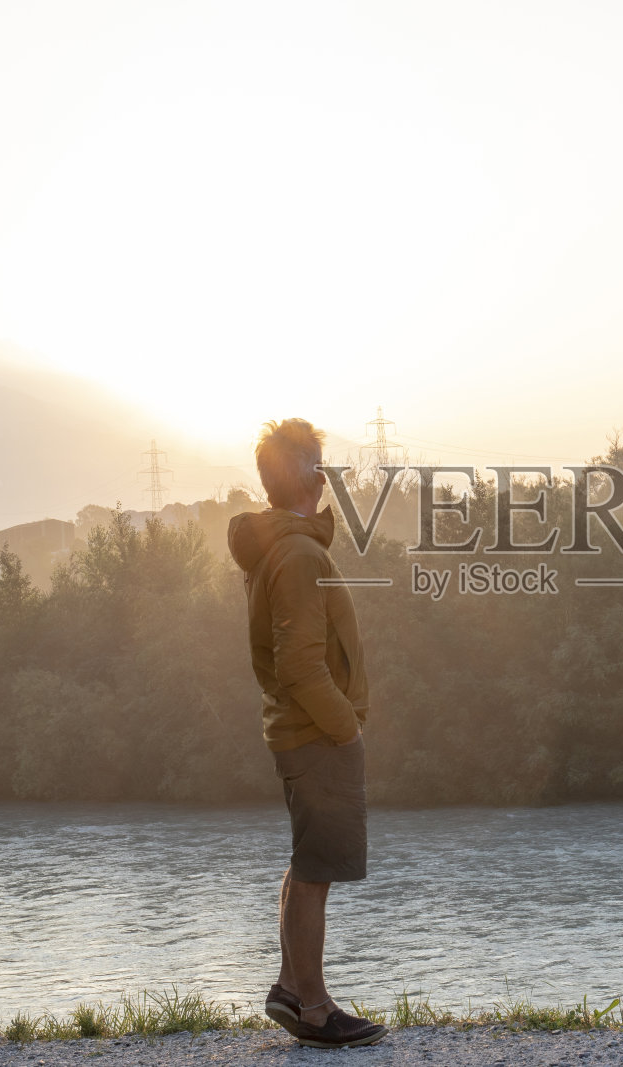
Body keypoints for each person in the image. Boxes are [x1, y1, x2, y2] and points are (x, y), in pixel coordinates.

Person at [226, 418, 387, 1050]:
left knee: (307, 863)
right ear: (300, 474)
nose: (326, 472)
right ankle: (315, 1008)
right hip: (317, 735)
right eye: (318, 461)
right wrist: (346, 730)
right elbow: (299, 663)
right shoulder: (295, 553)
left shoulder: (286, 546)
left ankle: (292, 990)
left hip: (304, 732)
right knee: (317, 869)